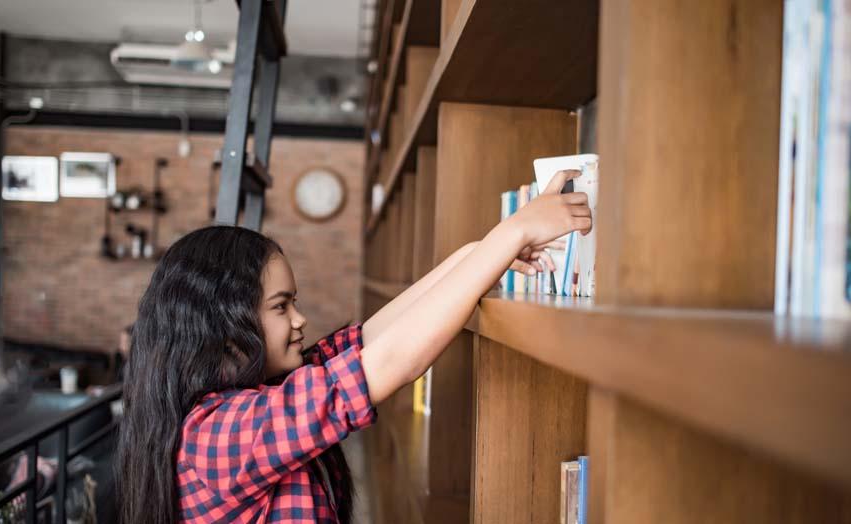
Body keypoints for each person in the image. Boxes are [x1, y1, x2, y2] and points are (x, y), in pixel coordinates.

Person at [117, 169, 592, 523]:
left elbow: (373, 340)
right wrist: (513, 233)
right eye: (282, 307)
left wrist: (485, 251)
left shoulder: (263, 394)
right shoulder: (213, 437)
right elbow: (388, 363)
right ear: (224, 327)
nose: (300, 320)